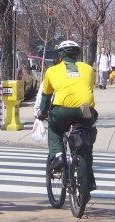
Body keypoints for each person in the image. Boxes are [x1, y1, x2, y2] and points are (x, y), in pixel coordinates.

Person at [38, 40, 98, 192]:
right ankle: (88, 181)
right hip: (85, 109)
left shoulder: (52, 71)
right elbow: (89, 88)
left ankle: (58, 155)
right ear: (77, 54)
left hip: (62, 110)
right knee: (86, 142)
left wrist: (43, 112)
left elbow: (46, 96)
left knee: (55, 129)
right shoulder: (89, 69)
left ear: (60, 55)